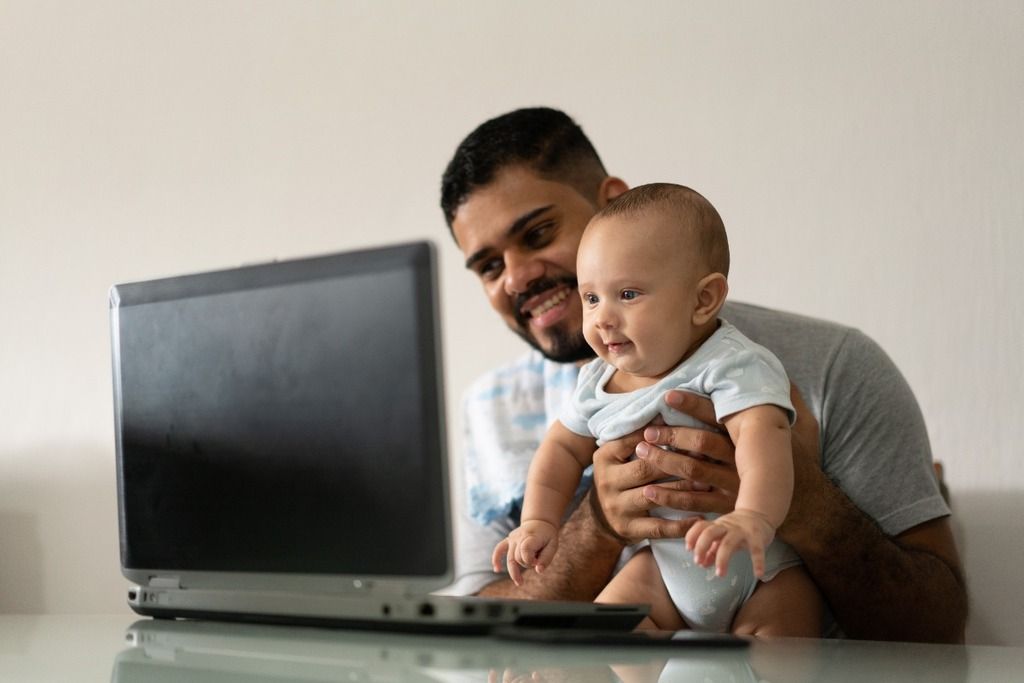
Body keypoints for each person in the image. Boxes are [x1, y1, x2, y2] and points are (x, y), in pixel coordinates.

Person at [439, 107, 967, 641]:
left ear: (612, 202)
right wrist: (596, 525)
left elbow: (939, 628)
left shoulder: (829, 365)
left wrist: (801, 501)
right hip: (661, 583)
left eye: (537, 233)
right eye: (489, 267)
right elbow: (473, 631)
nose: (516, 278)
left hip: (765, 584)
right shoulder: (490, 407)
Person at [492, 183, 823, 635]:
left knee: (778, 649)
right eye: (591, 298)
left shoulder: (730, 363)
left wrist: (753, 517)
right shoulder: (597, 382)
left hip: (762, 571)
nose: (603, 316)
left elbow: (761, 435)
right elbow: (561, 451)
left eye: (627, 295)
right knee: (604, 631)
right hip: (664, 573)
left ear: (703, 300)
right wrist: (537, 522)